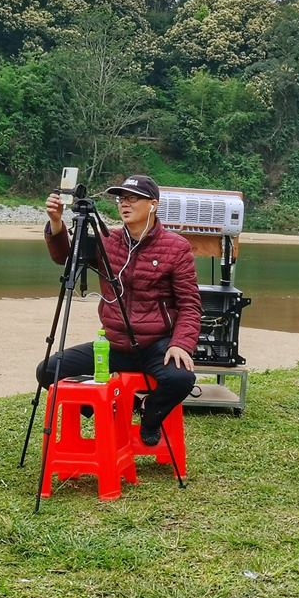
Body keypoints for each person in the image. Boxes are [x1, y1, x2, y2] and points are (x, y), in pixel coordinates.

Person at [38, 174, 201, 446]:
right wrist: (57, 221)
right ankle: (108, 411)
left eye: (132, 198)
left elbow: (190, 304)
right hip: (112, 345)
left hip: (153, 345)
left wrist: (182, 344)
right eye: (121, 199)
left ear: (153, 204)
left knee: (182, 378)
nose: (124, 204)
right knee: (48, 371)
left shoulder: (176, 247)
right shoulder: (108, 241)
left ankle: (150, 415)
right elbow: (64, 256)